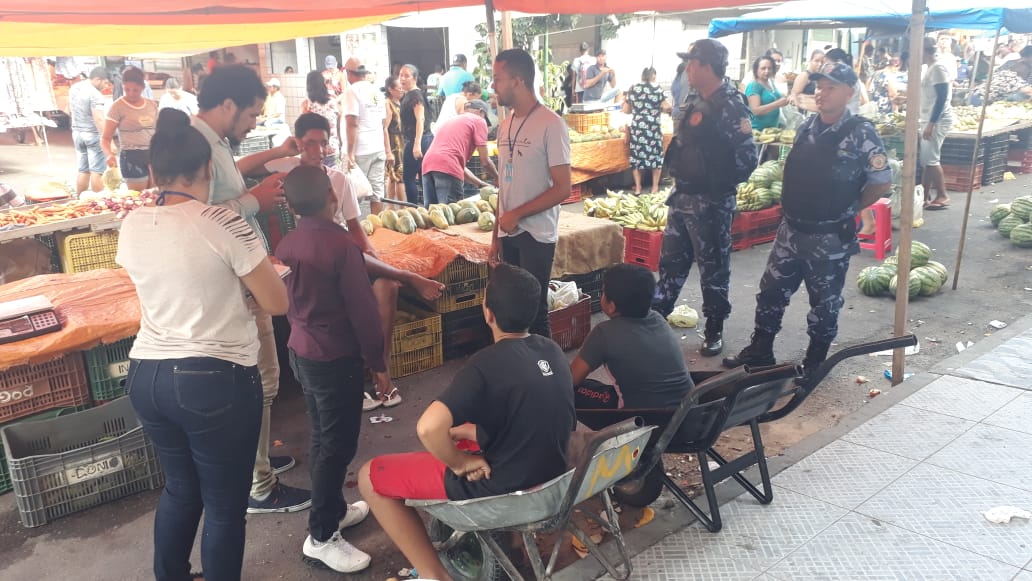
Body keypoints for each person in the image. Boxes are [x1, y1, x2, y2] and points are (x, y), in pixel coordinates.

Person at [117, 108, 289, 581]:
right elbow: (276, 301)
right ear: (210, 170)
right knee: (224, 505)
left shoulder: (132, 225)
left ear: (153, 172)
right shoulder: (222, 223)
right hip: (215, 379)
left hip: (148, 376)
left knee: (179, 489)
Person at [357, 263, 576, 581]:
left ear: (488, 312)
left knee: (369, 477)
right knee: (459, 432)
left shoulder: (486, 364)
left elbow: (428, 428)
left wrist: (460, 462)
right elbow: (537, 417)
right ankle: (511, 541)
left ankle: (434, 575)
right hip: (551, 480)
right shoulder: (552, 350)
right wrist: (471, 433)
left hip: (505, 487)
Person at [193, 64, 313, 515]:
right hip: (235, 280)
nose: (253, 123)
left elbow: (226, 177)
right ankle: (259, 486)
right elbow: (196, 214)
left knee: (261, 382)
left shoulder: (211, 140)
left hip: (240, 273)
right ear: (228, 105)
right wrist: (253, 201)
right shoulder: (199, 142)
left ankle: (256, 463)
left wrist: (268, 159)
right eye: (251, 115)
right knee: (261, 381)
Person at [722, 63, 891, 377]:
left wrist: (850, 207)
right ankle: (761, 349)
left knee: (824, 303)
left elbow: (881, 181)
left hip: (829, 237)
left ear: (849, 92)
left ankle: (816, 361)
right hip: (791, 232)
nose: (820, 93)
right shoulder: (807, 126)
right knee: (771, 292)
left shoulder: (860, 132)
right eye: (819, 86)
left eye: (830, 87)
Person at [266, 113, 445, 409]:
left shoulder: (340, 180)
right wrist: (283, 150)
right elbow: (239, 169)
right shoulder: (285, 172)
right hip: (305, 261)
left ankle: (380, 371)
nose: (319, 151)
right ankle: (367, 369)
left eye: (324, 144)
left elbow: (355, 230)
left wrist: (374, 258)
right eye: (310, 144)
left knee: (387, 284)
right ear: (297, 143)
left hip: (340, 254)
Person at [276, 166, 383, 574]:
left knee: (323, 437)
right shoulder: (341, 247)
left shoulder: (286, 244)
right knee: (336, 446)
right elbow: (365, 312)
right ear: (332, 199)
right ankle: (321, 536)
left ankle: (334, 510)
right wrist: (379, 365)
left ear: (289, 205)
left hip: (301, 352)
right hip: (334, 357)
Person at [653, 39, 757, 358]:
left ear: (706, 66)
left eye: (692, 63)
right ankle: (654, 322)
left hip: (711, 203)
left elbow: (748, 158)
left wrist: (717, 185)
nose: (687, 68)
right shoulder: (693, 99)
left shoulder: (732, 105)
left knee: (713, 268)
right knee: (671, 262)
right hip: (682, 198)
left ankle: (714, 328)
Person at [490, 48, 572, 338]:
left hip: (537, 234)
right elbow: (504, 186)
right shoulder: (504, 126)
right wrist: (495, 236)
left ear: (518, 80)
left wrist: (517, 214)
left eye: (497, 79)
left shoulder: (551, 124)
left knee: (535, 314)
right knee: (512, 314)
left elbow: (564, 187)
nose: (492, 86)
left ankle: (548, 377)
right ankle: (521, 374)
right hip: (508, 232)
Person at [571, 264, 693, 410]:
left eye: (603, 292)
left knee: (568, 389)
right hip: (687, 415)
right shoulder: (658, 319)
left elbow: (571, 379)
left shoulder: (603, 333)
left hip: (641, 423)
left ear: (611, 306)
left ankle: (563, 432)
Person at [422, 100, 499, 205]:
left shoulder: (452, 120)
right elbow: (485, 161)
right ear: (481, 112)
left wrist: (480, 184)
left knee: (431, 214)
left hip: (428, 164)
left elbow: (459, 167)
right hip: (447, 166)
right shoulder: (479, 120)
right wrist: (497, 178)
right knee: (451, 213)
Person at [342, 57, 389, 214]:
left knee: (352, 195)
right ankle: (378, 231)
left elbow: (352, 122)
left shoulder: (352, 91)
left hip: (360, 150)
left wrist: (349, 153)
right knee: (377, 193)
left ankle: (353, 233)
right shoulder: (376, 91)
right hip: (377, 147)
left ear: (349, 73)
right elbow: (383, 121)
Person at [101, 66, 158, 192]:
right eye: (127, 90)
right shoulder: (117, 107)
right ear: (122, 87)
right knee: (138, 199)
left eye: (135, 90)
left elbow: (158, 131)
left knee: (155, 197)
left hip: (153, 155)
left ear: (143, 87)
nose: (131, 94)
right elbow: (105, 138)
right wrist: (109, 154)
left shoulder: (151, 105)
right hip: (131, 157)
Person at [918, 36, 954, 210]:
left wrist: (932, 123)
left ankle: (942, 194)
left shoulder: (938, 68)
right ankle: (924, 196)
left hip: (936, 120)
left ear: (923, 50)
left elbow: (942, 98)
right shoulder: (930, 68)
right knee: (926, 160)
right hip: (927, 119)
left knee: (931, 159)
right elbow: (930, 95)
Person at [624, 67, 670, 194]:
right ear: (653, 76)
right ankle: (654, 188)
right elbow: (666, 107)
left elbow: (627, 110)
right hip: (653, 126)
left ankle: (638, 187)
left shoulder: (633, 88)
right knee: (656, 157)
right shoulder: (657, 89)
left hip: (638, 126)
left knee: (636, 157)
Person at [69, 67, 110, 193]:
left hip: (77, 133)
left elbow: (69, 109)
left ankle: (80, 200)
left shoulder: (74, 88)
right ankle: (98, 204)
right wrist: (107, 140)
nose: (106, 86)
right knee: (97, 171)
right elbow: (99, 119)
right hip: (92, 134)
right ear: (98, 79)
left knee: (84, 170)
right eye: (105, 82)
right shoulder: (95, 94)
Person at [399, 64, 433, 204]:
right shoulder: (411, 95)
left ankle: (413, 208)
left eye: (406, 76)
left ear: (415, 78)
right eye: (400, 75)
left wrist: (417, 144)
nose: (402, 78)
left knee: (409, 178)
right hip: (422, 139)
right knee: (423, 177)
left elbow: (421, 119)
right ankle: (424, 208)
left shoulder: (415, 96)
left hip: (418, 140)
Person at [302, 70, 342, 168]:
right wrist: (340, 142)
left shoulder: (307, 105)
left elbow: (304, 129)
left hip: (315, 150)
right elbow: (338, 124)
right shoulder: (332, 100)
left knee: (318, 178)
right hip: (333, 147)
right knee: (335, 176)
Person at [745, 55, 789, 132]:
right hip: (758, 132)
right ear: (756, 70)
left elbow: (775, 99)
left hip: (772, 130)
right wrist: (777, 104)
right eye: (763, 68)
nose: (767, 71)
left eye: (769, 68)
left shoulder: (770, 82)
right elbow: (755, 111)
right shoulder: (754, 86)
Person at [824, 49, 869, 115]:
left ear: (839, 62)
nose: (825, 68)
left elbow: (831, 105)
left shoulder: (848, 79)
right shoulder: (845, 78)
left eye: (827, 64)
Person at [383, 76, 406, 202]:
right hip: (394, 143)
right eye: (399, 88)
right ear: (390, 89)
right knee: (398, 176)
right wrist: (388, 151)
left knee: (394, 177)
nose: (402, 90)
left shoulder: (399, 103)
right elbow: (385, 128)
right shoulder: (388, 104)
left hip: (401, 142)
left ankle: (391, 205)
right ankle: (403, 206)